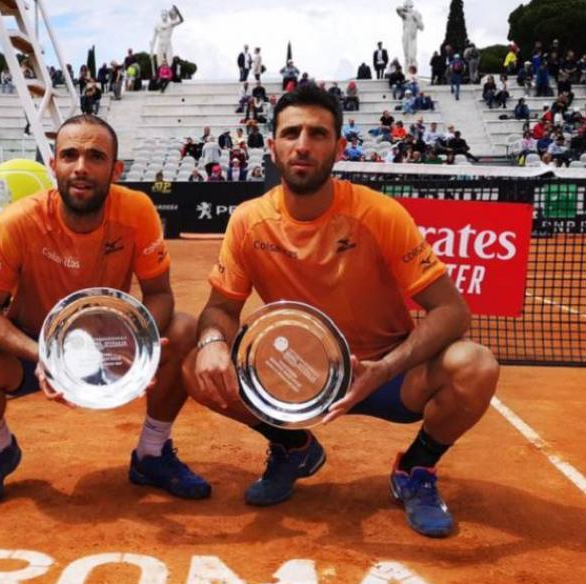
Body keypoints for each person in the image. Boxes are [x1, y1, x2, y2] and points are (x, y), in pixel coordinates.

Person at [184, 83, 499, 537]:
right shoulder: (248, 221)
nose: (303, 145)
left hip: (386, 374)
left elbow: (451, 311)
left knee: (476, 366)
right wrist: (214, 342)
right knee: (196, 366)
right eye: (291, 133)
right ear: (272, 146)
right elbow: (220, 309)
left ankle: (416, 468)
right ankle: (294, 448)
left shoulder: (379, 214)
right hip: (295, 380)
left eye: (318, 133)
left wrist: (384, 367)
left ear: (339, 146)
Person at [0, 114, 210, 507]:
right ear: (53, 164)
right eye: (69, 155)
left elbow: (160, 295)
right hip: (33, 350)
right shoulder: (19, 219)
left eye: (96, 156)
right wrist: (44, 354)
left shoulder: (137, 211)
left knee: (185, 329)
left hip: (111, 344)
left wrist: (135, 344)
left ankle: (152, 454)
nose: (81, 168)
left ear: (116, 169)